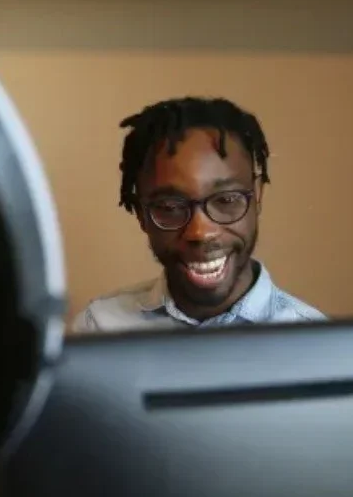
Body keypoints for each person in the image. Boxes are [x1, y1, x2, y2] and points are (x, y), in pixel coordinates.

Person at [73, 96, 325, 333]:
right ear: (141, 213)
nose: (200, 232)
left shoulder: (315, 344)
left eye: (226, 200)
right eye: (170, 208)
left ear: (257, 195)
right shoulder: (98, 328)